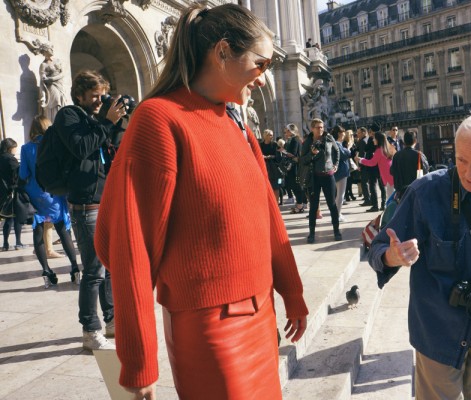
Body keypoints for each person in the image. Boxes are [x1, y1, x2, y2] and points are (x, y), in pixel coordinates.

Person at [94, 4, 308, 399]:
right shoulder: (158, 119)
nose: (263, 79)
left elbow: (268, 219)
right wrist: (139, 361)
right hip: (212, 328)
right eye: (260, 63)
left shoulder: (235, 124)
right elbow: (129, 247)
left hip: (263, 317)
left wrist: (291, 292)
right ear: (223, 52)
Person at [369, 110, 471, 399]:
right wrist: (392, 257)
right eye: (461, 160)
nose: (469, 174)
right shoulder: (426, 192)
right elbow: (378, 249)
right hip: (438, 335)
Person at [53, 70, 125, 351]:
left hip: (105, 200)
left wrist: (115, 123)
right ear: (79, 94)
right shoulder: (68, 116)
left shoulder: (95, 120)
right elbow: (81, 147)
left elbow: (113, 149)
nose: (98, 101)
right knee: (94, 269)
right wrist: (105, 122)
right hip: (85, 205)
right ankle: (89, 329)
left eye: (101, 95)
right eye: (94, 95)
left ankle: (111, 320)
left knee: (108, 267)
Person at [18, 115, 81, 288]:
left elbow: (23, 175)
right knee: (62, 231)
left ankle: (46, 271)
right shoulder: (56, 145)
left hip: (35, 195)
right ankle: (75, 269)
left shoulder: (26, 148)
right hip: (54, 193)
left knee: (38, 233)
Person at [300, 118, 341, 243]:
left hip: (328, 175)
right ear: (312, 128)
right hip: (314, 177)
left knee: (332, 205)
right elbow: (303, 160)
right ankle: (311, 233)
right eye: (318, 127)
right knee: (313, 206)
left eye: (322, 127)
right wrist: (312, 154)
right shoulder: (308, 141)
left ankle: (336, 230)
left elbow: (337, 151)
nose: (321, 129)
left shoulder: (328, 138)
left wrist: (336, 165)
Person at [1, 138, 26, 251]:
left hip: (2, 193)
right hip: (12, 191)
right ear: (10, 148)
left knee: (7, 218)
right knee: (16, 217)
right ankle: (18, 243)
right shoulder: (11, 160)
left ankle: (5, 243)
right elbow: (18, 175)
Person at [356, 131, 394, 205]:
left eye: (374, 138)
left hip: (389, 177)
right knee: (391, 198)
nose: (373, 140)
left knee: (391, 200)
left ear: (378, 140)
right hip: (391, 175)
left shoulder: (379, 150)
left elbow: (372, 163)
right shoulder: (387, 147)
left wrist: (360, 160)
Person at [390, 130, 429, 199]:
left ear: (404, 142)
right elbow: (426, 171)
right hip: (416, 191)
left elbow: (392, 171)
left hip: (401, 193)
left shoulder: (397, 156)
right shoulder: (419, 155)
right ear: (415, 141)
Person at [38, 43, 68, 122]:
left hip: (60, 85)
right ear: (45, 52)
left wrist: (52, 78)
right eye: (50, 49)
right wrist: (43, 96)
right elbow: (42, 80)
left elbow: (62, 73)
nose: (52, 50)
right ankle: (55, 121)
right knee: (56, 101)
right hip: (51, 86)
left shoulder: (57, 61)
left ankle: (61, 121)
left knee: (62, 101)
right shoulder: (43, 65)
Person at [285, 123, 307, 213]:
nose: (285, 133)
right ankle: (300, 204)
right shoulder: (296, 139)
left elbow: (293, 154)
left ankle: (300, 205)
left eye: (286, 131)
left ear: (290, 131)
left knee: (296, 186)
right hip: (296, 166)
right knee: (297, 186)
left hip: (295, 167)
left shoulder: (294, 140)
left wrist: (283, 152)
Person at [332, 125, 350, 222]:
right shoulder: (337, 144)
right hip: (341, 171)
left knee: (338, 195)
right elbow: (345, 155)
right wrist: (349, 148)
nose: (344, 134)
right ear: (339, 134)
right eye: (343, 132)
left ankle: (337, 213)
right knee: (340, 195)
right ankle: (337, 215)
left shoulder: (335, 143)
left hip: (338, 171)